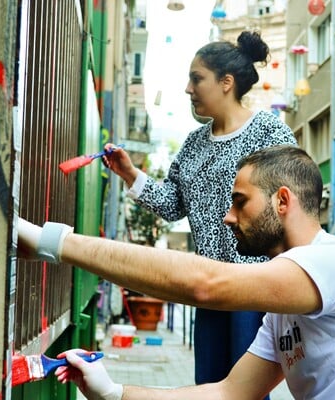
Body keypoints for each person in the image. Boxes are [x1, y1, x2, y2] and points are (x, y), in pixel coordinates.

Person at [18, 145, 335, 400]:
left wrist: (50, 243)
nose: (228, 217)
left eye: (240, 201)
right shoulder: (283, 311)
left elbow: (206, 285)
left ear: (282, 202)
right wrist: (112, 392)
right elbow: (230, 393)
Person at [102, 30, 296, 387]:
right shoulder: (193, 144)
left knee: (246, 391)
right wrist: (130, 174)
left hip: (254, 286)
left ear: (226, 82)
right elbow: (173, 205)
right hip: (207, 286)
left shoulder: (270, 133)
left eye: (196, 79)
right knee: (209, 384)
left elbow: (292, 203)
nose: (188, 89)